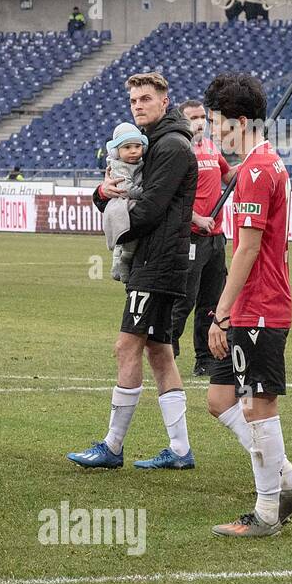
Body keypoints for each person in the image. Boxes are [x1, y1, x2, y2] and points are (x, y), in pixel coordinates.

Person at [67, 71, 198, 471]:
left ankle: (112, 446)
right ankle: (179, 450)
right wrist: (102, 195)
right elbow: (123, 195)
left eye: (145, 98)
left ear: (164, 101)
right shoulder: (152, 144)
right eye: (133, 101)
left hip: (157, 263)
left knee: (127, 347)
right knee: (159, 352)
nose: (138, 105)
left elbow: (150, 209)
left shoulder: (172, 146)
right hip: (157, 260)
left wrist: (113, 219)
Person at [202, 73, 292, 536]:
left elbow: (247, 248)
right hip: (259, 302)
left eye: (216, 124)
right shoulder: (264, 164)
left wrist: (221, 312)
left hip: (259, 305)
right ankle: (286, 479)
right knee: (221, 399)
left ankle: (268, 513)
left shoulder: (255, 171)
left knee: (256, 406)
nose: (212, 133)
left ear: (239, 121)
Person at [169, 99, 236, 376]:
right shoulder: (179, 151)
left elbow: (228, 175)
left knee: (212, 301)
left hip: (216, 238)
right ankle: (167, 350)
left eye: (202, 117)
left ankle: (205, 358)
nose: (199, 122)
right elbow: (173, 196)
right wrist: (197, 218)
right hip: (192, 237)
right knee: (184, 299)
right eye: (193, 117)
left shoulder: (210, 146)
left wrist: (249, 163)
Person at [101, 122, 146, 282]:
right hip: (122, 203)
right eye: (127, 147)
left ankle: (119, 262)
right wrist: (144, 193)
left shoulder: (139, 163)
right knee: (127, 231)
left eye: (137, 146)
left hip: (126, 202)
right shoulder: (119, 166)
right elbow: (125, 188)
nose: (133, 151)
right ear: (116, 151)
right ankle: (123, 261)